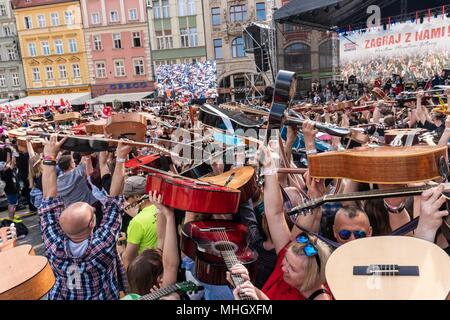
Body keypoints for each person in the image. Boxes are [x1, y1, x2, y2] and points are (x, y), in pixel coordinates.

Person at [38, 134, 130, 299]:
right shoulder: (102, 244)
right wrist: (121, 158)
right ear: (91, 224)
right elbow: (115, 199)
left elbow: (49, 199)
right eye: (92, 211)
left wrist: (49, 157)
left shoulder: (53, 244)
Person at [124, 191, 179, 299]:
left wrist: (160, 209)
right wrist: (169, 216)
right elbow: (170, 266)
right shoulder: (165, 294)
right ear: (160, 279)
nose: (149, 247)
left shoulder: (132, 296)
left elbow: (161, 238)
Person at [122, 176, 165, 269]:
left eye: (126, 197)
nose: (125, 201)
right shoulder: (162, 207)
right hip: (163, 263)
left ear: (137, 196)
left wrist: (121, 251)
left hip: (145, 270)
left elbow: (127, 258)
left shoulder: (137, 222)